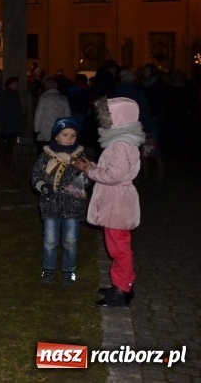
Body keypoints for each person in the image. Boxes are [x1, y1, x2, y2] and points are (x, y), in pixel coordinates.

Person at [74, 97, 144, 307]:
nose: (104, 121)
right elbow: (114, 170)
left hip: (117, 201)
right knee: (120, 246)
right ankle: (124, 285)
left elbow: (113, 175)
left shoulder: (122, 144)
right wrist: (93, 166)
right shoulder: (122, 141)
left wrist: (89, 170)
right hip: (116, 199)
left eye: (108, 117)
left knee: (118, 249)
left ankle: (121, 290)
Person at [30, 118, 89, 286]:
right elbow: (36, 175)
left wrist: (84, 177)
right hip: (51, 205)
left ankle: (68, 270)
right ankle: (48, 269)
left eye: (73, 135)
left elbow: (89, 176)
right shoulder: (46, 156)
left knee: (70, 240)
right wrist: (43, 186)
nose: (69, 138)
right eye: (65, 134)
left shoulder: (80, 157)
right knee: (50, 239)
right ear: (56, 136)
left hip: (73, 205)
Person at [33, 78, 71, 152]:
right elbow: (68, 115)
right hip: (59, 130)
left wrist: (36, 130)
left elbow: (38, 115)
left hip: (44, 131)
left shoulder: (44, 97)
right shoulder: (63, 98)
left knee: (43, 153)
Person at [0, 76, 24, 152]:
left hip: (11, 125)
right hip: (8, 125)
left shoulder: (13, 94)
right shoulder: (7, 95)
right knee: (7, 147)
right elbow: (2, 111)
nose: (17, 86)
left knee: (9, 147)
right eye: (15, 84)